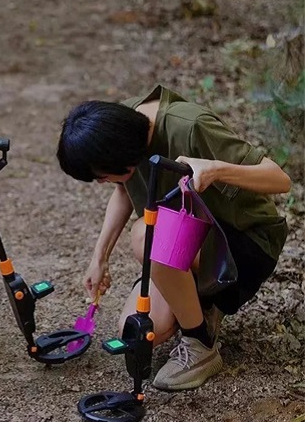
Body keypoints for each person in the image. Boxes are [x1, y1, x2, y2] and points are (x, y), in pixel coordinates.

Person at [56, 84, 291, 391]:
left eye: (101, 175)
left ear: (119, 159)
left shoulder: (190, 126)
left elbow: (279, 179)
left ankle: (200, 347)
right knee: (137, 331)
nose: (102, 182)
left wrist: (217, 170)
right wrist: (99, 258)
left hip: (245, 244)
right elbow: (123, 189)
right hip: (186, 240)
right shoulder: (123, 129)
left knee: (146, 234)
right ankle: (204, 304)